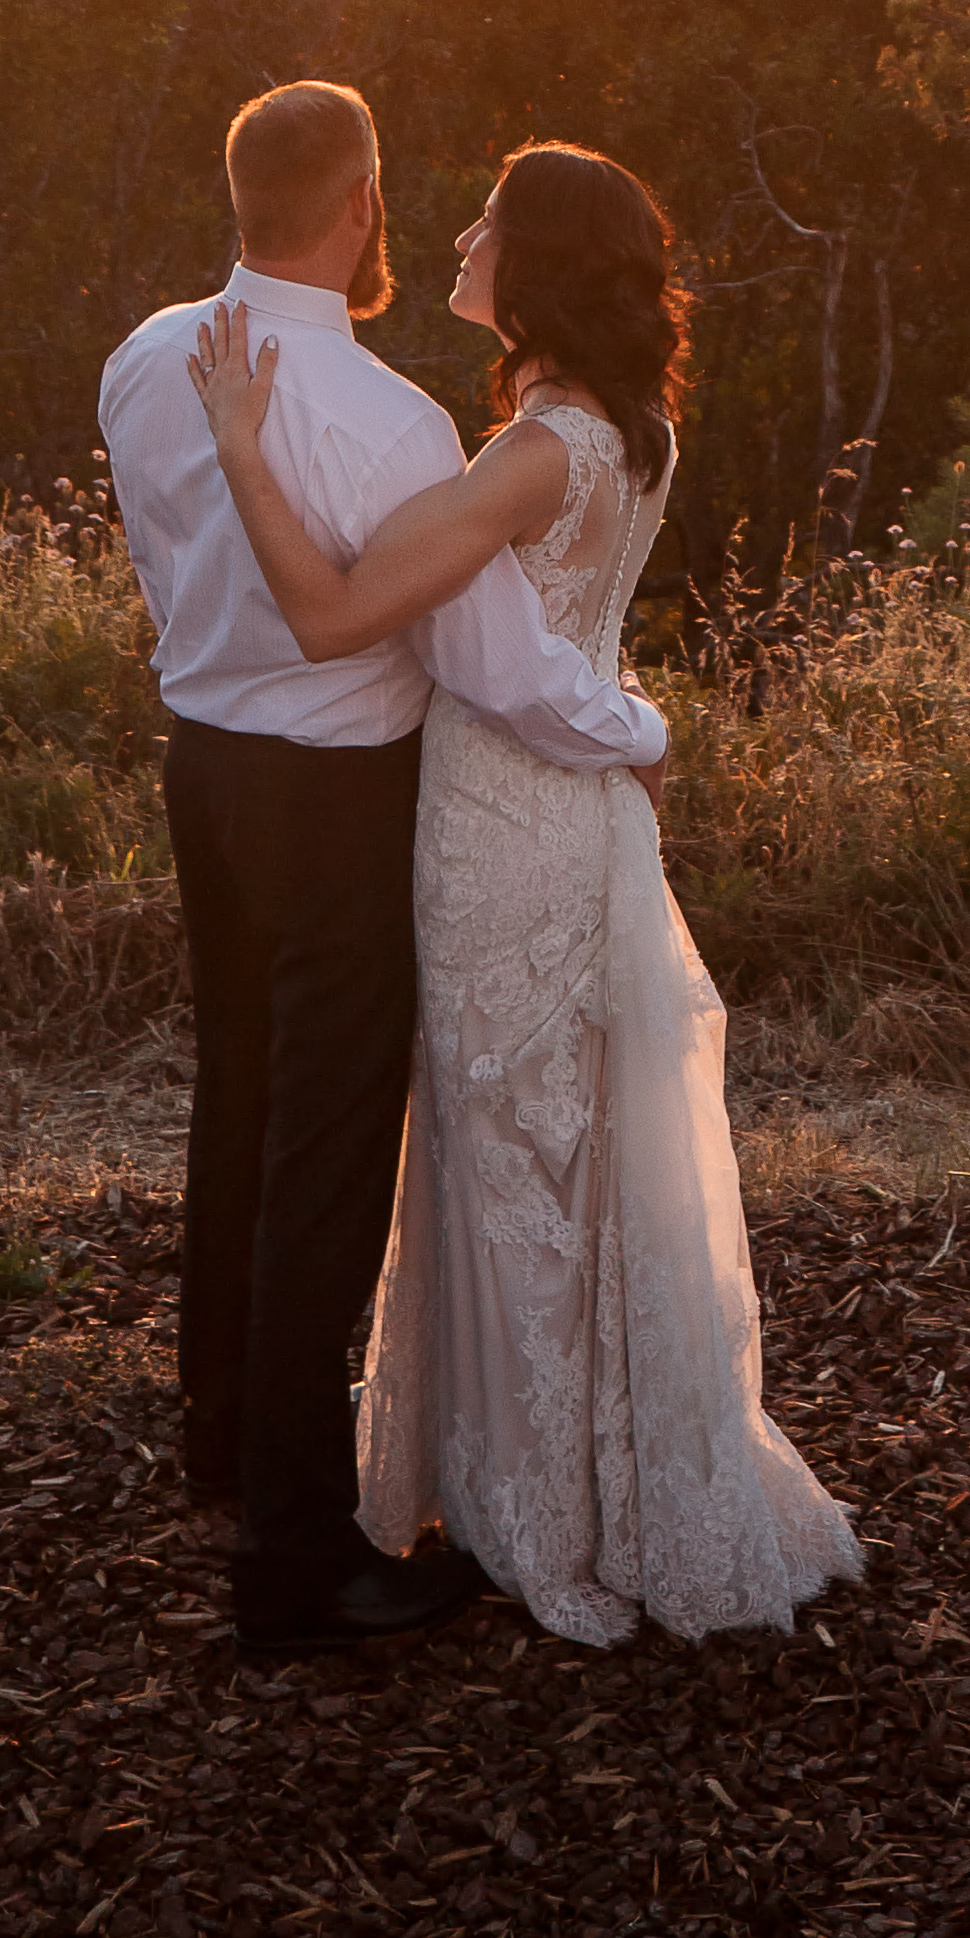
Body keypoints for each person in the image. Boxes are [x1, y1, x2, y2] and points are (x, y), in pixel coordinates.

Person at [188, 135, 859, 1645]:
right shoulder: (632, 429)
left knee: (509, 1156)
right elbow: (568, 658)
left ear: (539, 262)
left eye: (488, 221)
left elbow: (334, 611)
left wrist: (242, 444)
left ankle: (543, 1500)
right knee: (566, 1146)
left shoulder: (531, 453)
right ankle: (593, 1472)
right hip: (580, 823)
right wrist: (642, 736)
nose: (457, 238)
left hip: (499, 829)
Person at [100, 80, 670, 1660]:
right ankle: (293, 1553)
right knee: (326, 1159)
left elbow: (174, 556)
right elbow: (479, 651)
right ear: (355, 206)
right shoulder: (394, 422)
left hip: (203, 772)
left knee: (237, 1092)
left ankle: (222, 1438)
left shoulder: (147, 355)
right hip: (339, 800)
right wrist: (634, 725)